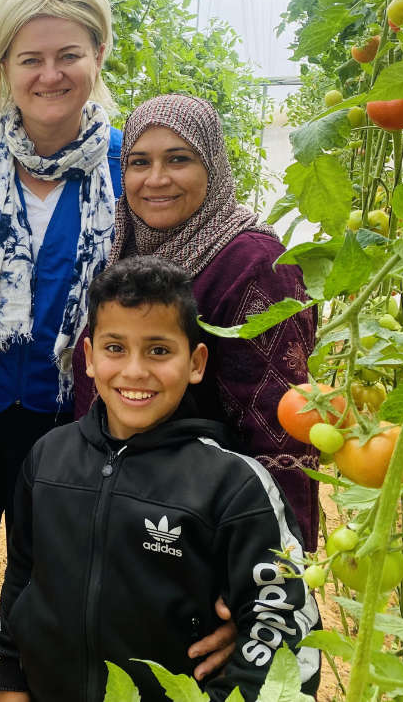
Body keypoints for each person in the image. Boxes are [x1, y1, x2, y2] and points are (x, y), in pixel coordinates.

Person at [0, 0, 168, 701]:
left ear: (99, 56)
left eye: (69, 54)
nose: (50, 74)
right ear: (2, 68)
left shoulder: (132, 165)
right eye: (29, 58)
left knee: (59, 598)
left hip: (78, 425)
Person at [0, 255, 321, 701]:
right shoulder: (48, 459)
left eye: (159, 350)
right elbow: (23, 581)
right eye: (115, 348)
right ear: (88, 357)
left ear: (196, 361)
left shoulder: (234, 486)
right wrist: (12, 681)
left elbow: (284, 630)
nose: (135, 371)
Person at [74, 93, 320, 549]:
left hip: (198, 533)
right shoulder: (126, 249)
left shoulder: (254, 263)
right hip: (119, 516)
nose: (156, 179)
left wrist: (271, 566)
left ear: (213, 166)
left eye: (179, 159)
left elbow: (281, 427)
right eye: (139, 162)